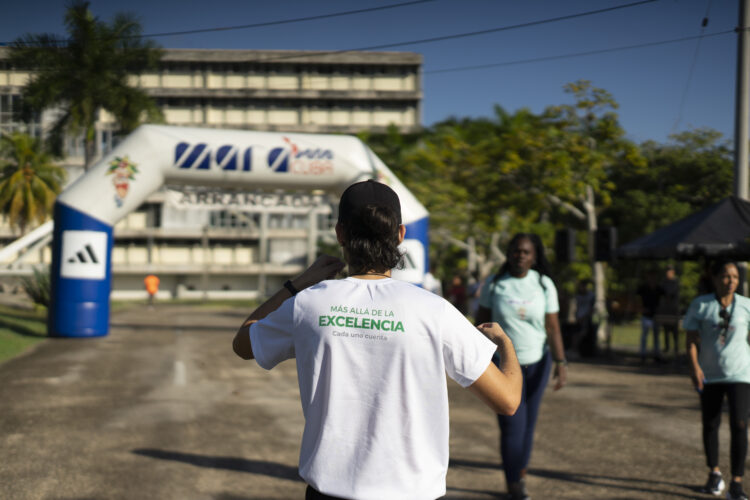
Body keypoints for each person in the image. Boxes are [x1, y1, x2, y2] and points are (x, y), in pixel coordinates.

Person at [232, 180, 522, 500]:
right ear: (400, 235)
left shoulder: (309, 303)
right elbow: (508, 400)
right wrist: (505, 344)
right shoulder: (434, 310)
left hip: (329, 494)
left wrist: (297, 285)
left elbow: (243, 343)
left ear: (340, 233)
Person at [476, 233, 567, 500]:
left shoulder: (544, 284)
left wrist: (561, 362)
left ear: (534, 257)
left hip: (538, 362)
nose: (520, 256)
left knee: (528, 424)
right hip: (502, 364)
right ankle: (514, 483)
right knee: (512, 423)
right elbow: (481, 325)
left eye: (526, 252)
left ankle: (519, 474)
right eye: (516, 251)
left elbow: (553, 326)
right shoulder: (495, 284)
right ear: (509, 254)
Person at [685, 260, 750, 500]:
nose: (731, 281)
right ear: (714, 278)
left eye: (735, 277)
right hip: (709, 375)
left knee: (740, 424)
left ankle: (737, 482)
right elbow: (691, 340)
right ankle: (714, 473)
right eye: (725, 276)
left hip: (741, 373)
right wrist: (694, 368)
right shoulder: (701, 305)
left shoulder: (746, 305)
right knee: (710, 424)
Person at [637, 270, 664, 363]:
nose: (652, 279)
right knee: (644, 335)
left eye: (653, 277)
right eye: (650, 276)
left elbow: (665, 298)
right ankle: (643, 354)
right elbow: (637, 297)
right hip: (646, 315)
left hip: (656, 315)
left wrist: (661, 309)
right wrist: (641, 308)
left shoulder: (658, 288)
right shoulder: (643, 287)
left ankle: (656, 354)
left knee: (656, 336)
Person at [657, 265, 681, 359]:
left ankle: (676, 348)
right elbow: (660, 292)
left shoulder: (675, 282)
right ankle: (667, 348)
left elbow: (670, 292)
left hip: (674, 310)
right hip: (666, 310)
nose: (668, 273)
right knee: (666, 330)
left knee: (675, 331)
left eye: (669, 271)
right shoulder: (663, 282)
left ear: (673, 272)